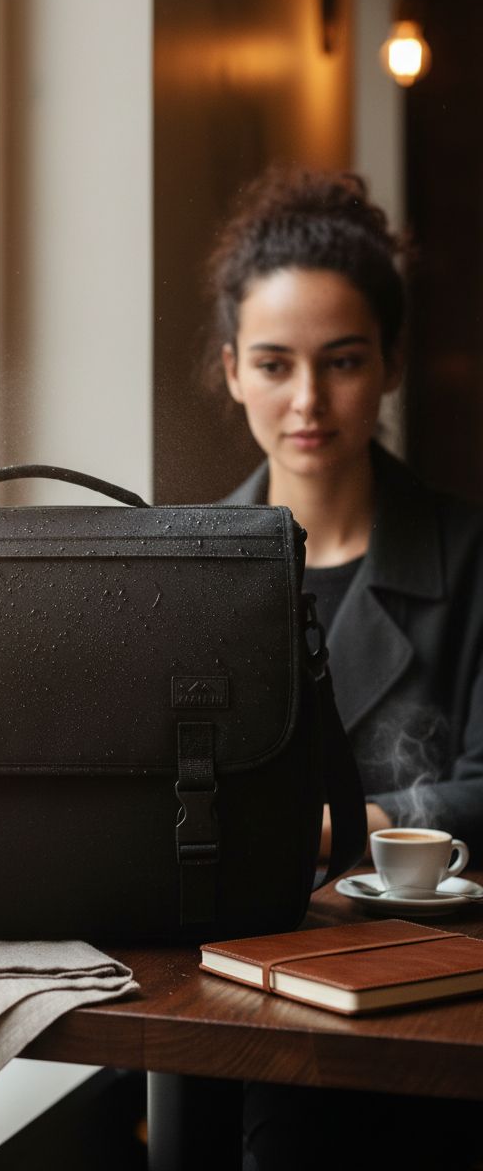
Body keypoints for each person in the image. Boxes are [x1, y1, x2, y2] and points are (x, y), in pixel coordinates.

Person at [207, 165, 483, 1170]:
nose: (307, 400)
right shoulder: (176, 570)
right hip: (211, 991)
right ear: (232, 367)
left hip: (428, 1002)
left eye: (344, 361)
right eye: (275, 364)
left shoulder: (474, 560)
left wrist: (344, 824)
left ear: (393, 364)